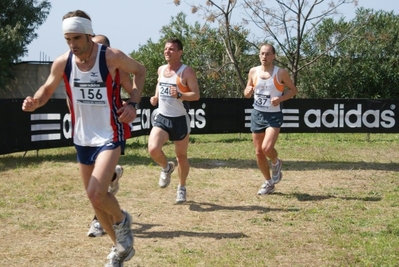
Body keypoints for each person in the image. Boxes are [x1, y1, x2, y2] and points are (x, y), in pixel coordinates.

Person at [22, 10, 146, 267]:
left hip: (110, 132)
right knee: (94, 199)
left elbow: (141, 71)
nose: (72, 44)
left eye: (77, 38)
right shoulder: (63, 62)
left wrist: (133, 103)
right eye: (68, 39)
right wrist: (35, 101)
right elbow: (47, 88)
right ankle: (120, 249)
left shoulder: (111, 57)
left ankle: (123, 221)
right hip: (82, 136)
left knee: (96, 192)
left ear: (89, 34)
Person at [86, 34, 133, 238]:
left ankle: (98, 222)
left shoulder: (118, 69)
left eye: (99, 47)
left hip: (112, 128)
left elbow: (133, 91)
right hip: (88, 130)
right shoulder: (81, 71)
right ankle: (114, 174)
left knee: (97, 184)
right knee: (96, 178)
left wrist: (131, 105)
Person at [148, 38, 200, 203]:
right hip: (162, 117)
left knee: (181, 157)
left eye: (171, 49)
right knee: (153, 149)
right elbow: (159, 83)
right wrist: (156, 96)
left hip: (179, 119)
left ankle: (181, 187)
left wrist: (179, 95)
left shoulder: (187, 72)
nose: (167, 52)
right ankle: (166, 167)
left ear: (180, 53)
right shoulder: (161, 69)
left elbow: (196, 95)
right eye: (165, 49)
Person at [244, 44, 298, 195]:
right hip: (257, 114)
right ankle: (268, 183)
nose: (264, 57)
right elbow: (247, 92)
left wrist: (280, 99)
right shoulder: (253, 71)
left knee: (267, 148)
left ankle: (276, 162)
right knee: (258, 153)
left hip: (273, 115)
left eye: (267, 54)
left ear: (274, 56)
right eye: (262, 53)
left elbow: (293, 90)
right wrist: (247, 92)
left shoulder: (280, 73)